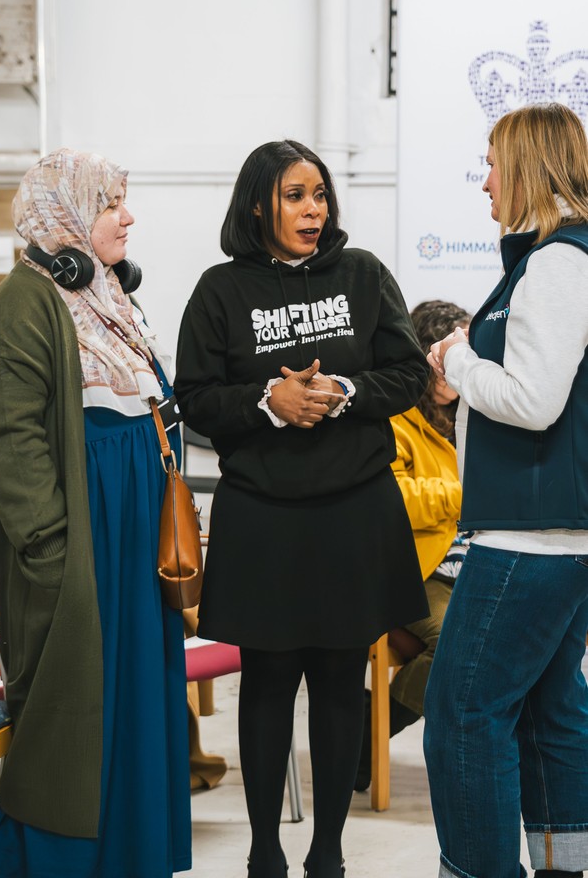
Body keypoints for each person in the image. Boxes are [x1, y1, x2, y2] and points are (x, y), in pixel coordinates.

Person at [174, 138, 430, 878]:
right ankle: (264, 854)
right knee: (268, 682)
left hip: (355, 509)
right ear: (259, 205)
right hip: (264, 514)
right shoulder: (220, 290)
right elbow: (194, 399)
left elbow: (408, 373)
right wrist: (268, 401)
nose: (313, 209)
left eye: (319, 194)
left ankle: (327, 854)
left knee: (340, 681)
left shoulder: (362, 274)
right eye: (294, 196)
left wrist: (346, 391)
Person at [0, 149, 191, 877]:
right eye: (109, 205)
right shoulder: (18, 309)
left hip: (129, 543)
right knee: (68, 729)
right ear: (63, 216)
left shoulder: (108, 298)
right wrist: (56, 559)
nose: (128, 218)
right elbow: (8, 441)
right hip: (75, 551)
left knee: (132, 707)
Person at [424, 102, 588, 878]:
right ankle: (560, 863)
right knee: (549, 712)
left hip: (528, 538)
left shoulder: (556, 263)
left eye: (490, 164)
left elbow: (532, 400)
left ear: (525, 166)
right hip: (556, 534)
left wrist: (457, 359)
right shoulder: (559, 257)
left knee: (461, 715)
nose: (483, 181)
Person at [353, 299, 470, 793]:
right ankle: (368, 737)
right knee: (456, 642)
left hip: (470, 565)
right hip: (413, 569)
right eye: (445, 354)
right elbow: (393, 500)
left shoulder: (471, 413)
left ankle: (364, 733)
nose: (457, 366)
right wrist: (464, 494)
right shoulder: (394, 419)